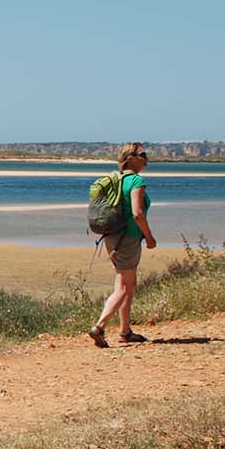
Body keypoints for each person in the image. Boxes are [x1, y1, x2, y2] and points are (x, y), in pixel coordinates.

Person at [88, 142, 157, 347]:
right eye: (143, 155)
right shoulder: (135, 180)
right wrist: (149, 236)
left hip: (112, 236)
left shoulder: (117, 180)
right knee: (125, 287)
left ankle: (125, 330)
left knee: (124, 283)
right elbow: (137, 213)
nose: (146, 159)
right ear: (132, 158)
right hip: (128, 238)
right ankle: (99, 326)